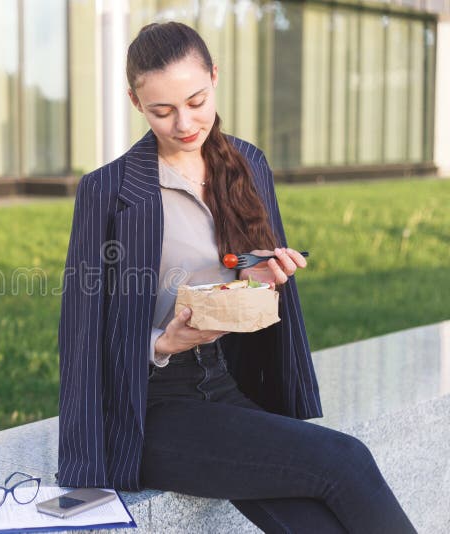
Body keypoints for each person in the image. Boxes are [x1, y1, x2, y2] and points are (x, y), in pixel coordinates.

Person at [57, 21, 416, 533]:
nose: (185, 122)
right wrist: (164, 341)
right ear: (137, 104)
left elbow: (242, 280)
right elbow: (81, 335)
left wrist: (265, 278)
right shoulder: (108, 191)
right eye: (163, 110)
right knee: (346, 460)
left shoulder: (248, 162)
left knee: (317, 521)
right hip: (149, 410)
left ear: (215, 77)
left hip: (224, 385)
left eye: (196, 100)